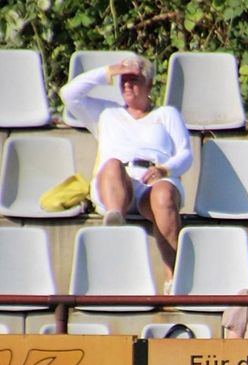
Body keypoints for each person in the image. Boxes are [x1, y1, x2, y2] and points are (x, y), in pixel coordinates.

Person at [60, 54, 192, 290]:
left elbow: (185, 155)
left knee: (163, 194)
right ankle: (116, 221)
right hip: (117, 184)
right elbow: (69, 94)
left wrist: (164, 169)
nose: (128, 85)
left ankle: (173, 279)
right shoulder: (106, 113)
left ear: (149, 84)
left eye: (134, 80)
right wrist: (109, 71)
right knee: (111, 164)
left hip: (153, 180)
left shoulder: (167, 114)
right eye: (124, 80)